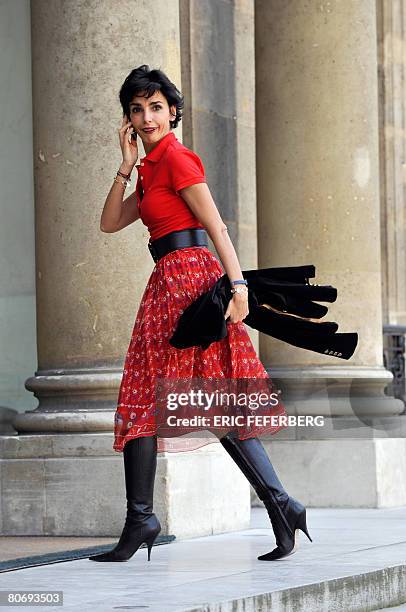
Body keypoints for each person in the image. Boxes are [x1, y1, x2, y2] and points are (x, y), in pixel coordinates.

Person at [88, 65, 312, 564]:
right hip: (164, 286)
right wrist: (125, 166)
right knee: (147, 397)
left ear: (172, 112)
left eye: (156, 107)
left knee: (213, 400)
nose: (147, 117)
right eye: (137, 110)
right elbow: (108, 223)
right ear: (128, 119)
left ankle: (278, 504)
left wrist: (238, 288)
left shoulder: (179, 159)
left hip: (193, 286)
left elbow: (218, 228)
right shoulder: (147, 169)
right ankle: (144, 518)